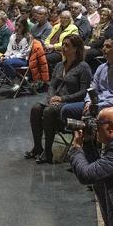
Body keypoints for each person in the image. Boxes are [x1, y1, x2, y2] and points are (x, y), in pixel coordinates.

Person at [27, 35, 92, 164]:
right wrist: (51, 98)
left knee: (48, 111)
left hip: (71, 101)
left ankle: (48, 151)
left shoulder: (83, 67)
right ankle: (37, 147)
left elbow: (84, 92)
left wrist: (62, 98)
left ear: (76, 49)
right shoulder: (59, 65)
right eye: (63, 44)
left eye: (67, 45)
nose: (63, 47)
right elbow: (52, 85)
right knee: (35, 108)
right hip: (55, 99)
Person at [62, 37, 113, 120]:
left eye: (108, 46)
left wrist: (97, 106)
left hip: (112, 107)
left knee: (93, 117)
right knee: (66, 109)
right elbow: (92, 88)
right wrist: (88, 101)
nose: (103, 49)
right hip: (94, 103)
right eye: (103, 46)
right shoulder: (101, 67)